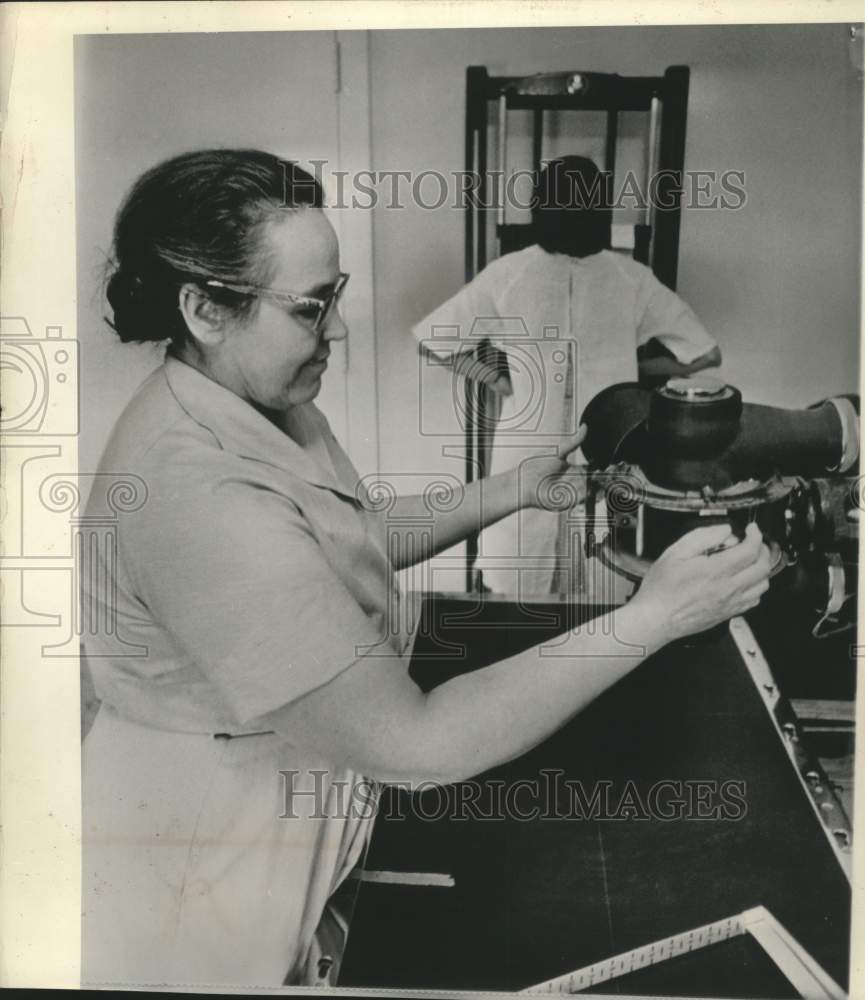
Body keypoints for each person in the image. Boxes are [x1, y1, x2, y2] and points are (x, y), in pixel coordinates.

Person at [80, 149, 770, 989]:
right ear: (204, 309)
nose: (336, 330)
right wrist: (649, 617)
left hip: (293, 777)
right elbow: (414, 741)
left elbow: (347, 540)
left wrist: (512, 489)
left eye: (334, 296)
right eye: (310, 308)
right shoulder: (196, 492)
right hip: (205, 842)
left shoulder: (254, 404)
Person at [412, 156, 721, 595]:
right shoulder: (629, 277)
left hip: (562, 445)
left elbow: (432, 342)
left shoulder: (510, 273)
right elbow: (704, 354)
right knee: (588, 568)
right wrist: (635, 370)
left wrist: (494, 379)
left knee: (550, 571)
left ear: (540, 207)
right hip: (595, 440)